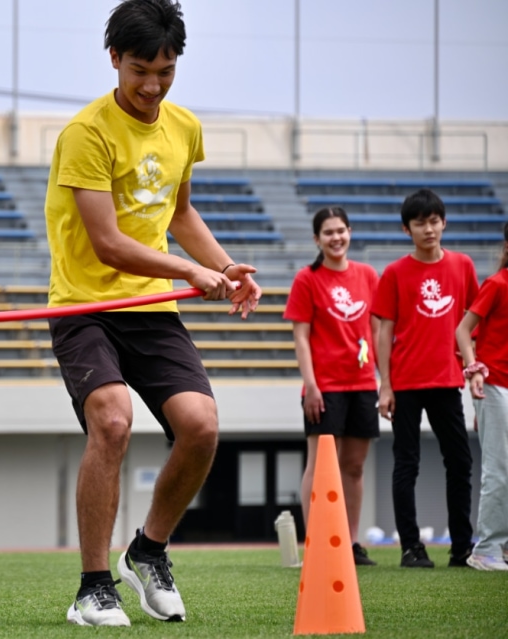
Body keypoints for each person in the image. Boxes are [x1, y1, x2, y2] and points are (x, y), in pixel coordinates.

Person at [43, 0, 261, 627]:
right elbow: (107, 242)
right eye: (140, 69)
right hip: (86, 305)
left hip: (150, 305)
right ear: (114, 59)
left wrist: (224, 268)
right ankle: (92, 586)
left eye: (165, 70)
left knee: (201, 426)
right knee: (110, 423)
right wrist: (192, 273)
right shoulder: (86, 133)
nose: (151, 85)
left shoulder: (184, 127)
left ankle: (149, 550)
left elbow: (180, 213)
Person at [372, 189, 478, 569]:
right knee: (406, 464)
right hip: (405, 383)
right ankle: (411, 548)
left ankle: (462, 548)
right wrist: (384, 384)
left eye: (434, 221)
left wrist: (472, 365)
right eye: (420, 222)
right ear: (407, 229)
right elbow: (384, 331)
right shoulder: (395, 273)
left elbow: (473, 321)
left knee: (460, 462)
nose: (429, 228)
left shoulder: (463, 266)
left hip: (448, 381)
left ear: (444, 223)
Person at [283, 208, 380, 566]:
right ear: (317, 239)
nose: (336, 238)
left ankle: (350, 543)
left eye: (341, 230)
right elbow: (301, 336)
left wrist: (386, 383)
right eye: (328, 233)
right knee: (321, 463)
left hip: (363, 383)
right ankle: (317, 542)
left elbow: (377, 331)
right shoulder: (307, 279)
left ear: (350, 232)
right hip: (324, 386)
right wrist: (311, 384)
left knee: (354, 467)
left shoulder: (368, 275)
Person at [454, 222, 508, 571]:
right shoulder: (497, 284)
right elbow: (462, 329)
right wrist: (474, 369)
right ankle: (487, 549)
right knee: (499, 470)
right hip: (496, 382)